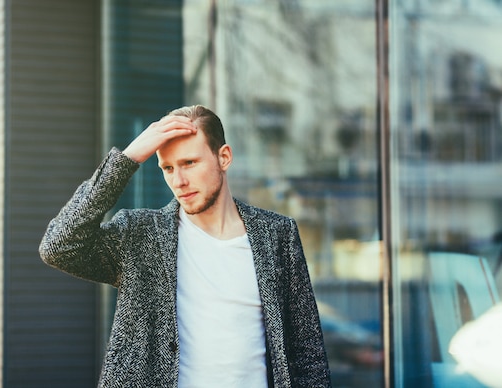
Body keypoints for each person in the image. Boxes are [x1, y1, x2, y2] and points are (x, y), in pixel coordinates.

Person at [39, 105, 331, 387]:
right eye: (167, 168)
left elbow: (306, 350)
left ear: (224, 157)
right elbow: (59, 246)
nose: (178, 181)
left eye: (189, 163)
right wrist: (127, 160)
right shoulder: (140, 235)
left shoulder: (276, 235)